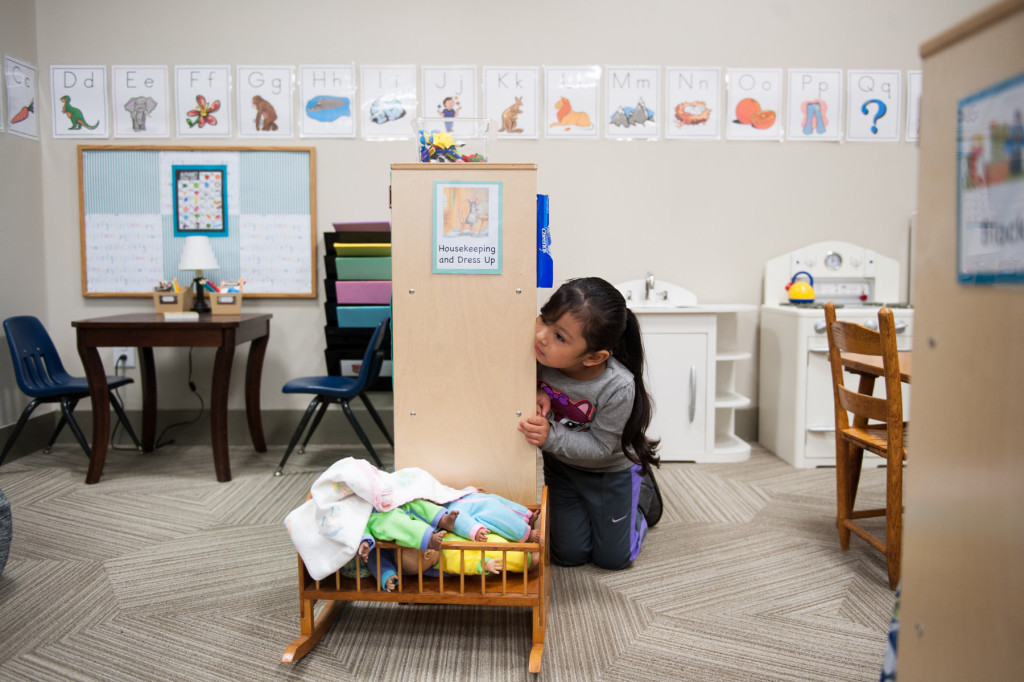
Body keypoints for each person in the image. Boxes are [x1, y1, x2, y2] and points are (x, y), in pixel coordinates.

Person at [518, 277, 660, 570]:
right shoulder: (536, 354)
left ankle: (641, 501)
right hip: (562, 469)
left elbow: (600, 447)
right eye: (544, 318)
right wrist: (531, 388)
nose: (542, 335)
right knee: (568, 556)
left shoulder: (618, 387)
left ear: (593, 357)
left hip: (608, 472)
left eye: (560, 336)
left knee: (613, 559)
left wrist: (550, 437)